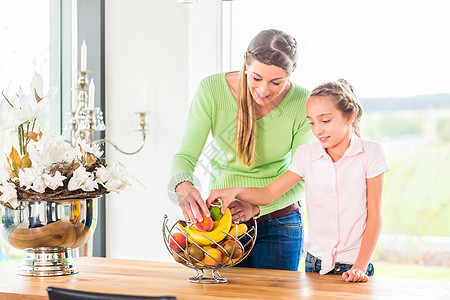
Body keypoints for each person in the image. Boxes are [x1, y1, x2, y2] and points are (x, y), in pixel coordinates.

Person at [206, 79, 389, 282]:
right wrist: (234, 191)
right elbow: (268, 194)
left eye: (325, 121)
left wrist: (360, 267)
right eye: (311, 122)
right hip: (315, 263)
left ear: (349, 117)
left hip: (355, 263)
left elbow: (374, 216)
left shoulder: (371, 153)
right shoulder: (306, 154)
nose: (317, 130)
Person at [169, 29, 315, 271]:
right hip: (223, 225)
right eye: (256, 77)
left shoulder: (302, 103)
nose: (263, 90)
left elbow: (302, 178)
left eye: (276, 82)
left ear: (293, 71)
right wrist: (183, 184)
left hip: (279, 222)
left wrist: (257, 208)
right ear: (245, 60)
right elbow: (185, 157)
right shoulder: (212, 90)